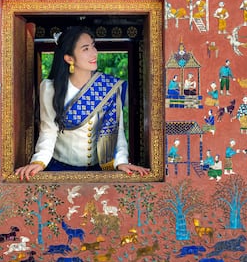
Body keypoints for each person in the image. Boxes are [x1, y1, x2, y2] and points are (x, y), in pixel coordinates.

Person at [15, 27, 148, 179]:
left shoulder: (109, 87)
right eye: (85, 49)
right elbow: (48, 131)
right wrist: (38, 162)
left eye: (93, 46)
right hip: (60, 168)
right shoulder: (50, 88)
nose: (94, 53)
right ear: (69, 59)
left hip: (99, 169)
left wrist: (121, 161)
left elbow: (116, 132)